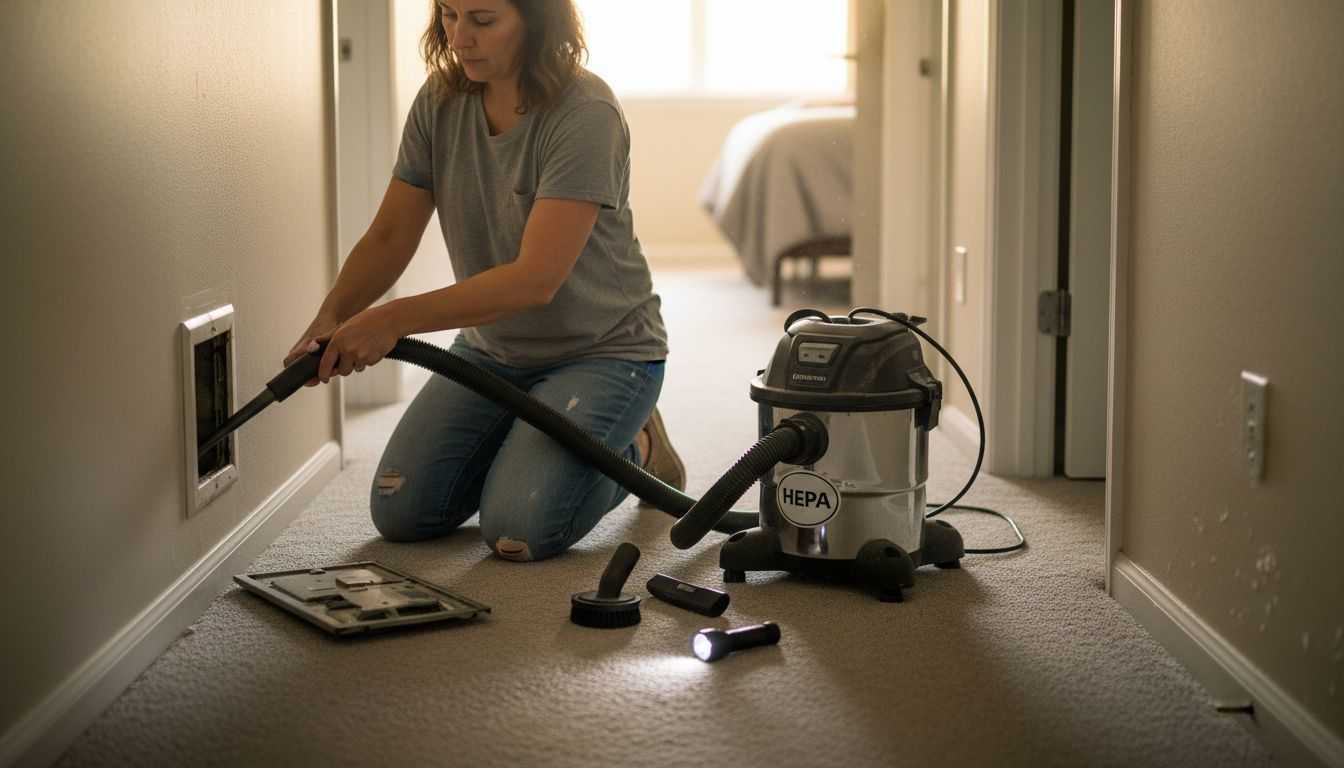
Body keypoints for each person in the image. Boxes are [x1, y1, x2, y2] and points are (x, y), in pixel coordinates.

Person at [285, 0, 684, 562]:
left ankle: (636, 445)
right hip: (493, 352)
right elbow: (389, 237)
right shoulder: (440, 101)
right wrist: (333, 316)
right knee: (402, 513)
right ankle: (533, 442)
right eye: (448, 15)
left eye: (482, 19)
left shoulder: (586, 112)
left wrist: (391, 319)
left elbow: (534, 281)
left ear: (538, 19)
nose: (458, 38)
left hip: (604, 353)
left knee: (517, 530)